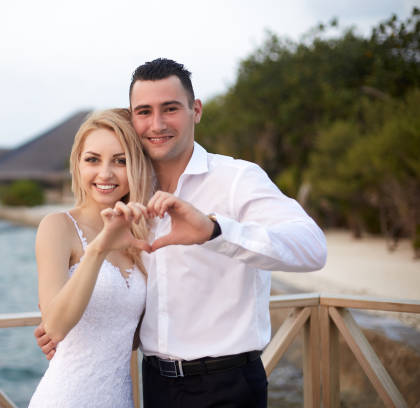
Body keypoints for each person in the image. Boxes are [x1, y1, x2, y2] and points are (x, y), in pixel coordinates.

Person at [36, 59, 327, 407]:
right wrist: (77, 333)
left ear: (196, 110)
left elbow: (312, 248)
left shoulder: (236, 178)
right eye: (144, 111)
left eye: (170, 109)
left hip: (226, 384)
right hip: (154, 386)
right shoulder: (133, 201)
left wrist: (215, 231)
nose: (156, 124)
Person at [28, 109, 154, 407]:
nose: (105, 173)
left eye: (120, 161)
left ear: (136, 166)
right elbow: (55, 327)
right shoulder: (57, 226)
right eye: (93, 159)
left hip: (118, 397)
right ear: (78, 164)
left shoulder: (139, 233)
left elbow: (131, 335)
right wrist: (98, 248)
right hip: (66, 398)